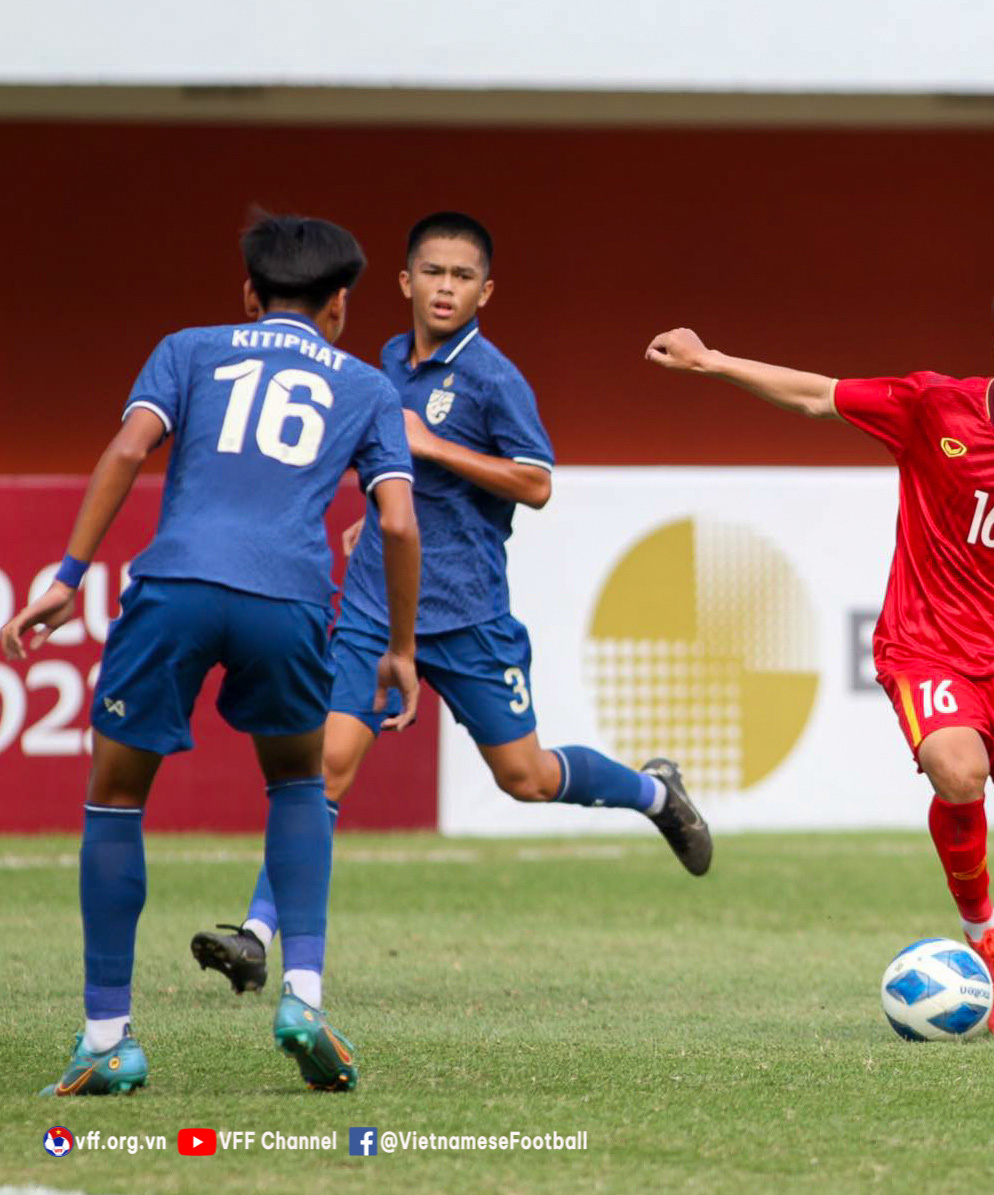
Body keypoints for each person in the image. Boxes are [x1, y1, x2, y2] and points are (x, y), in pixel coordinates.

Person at [192, 211, 711, 997]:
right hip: (373, 602)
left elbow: (536, 481)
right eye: (432, 272)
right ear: (404, 281)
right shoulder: (386, 362)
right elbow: (389, 469)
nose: (445, 287)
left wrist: (431, 447)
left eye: (462, 276)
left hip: (467, 614)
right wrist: (375, 510)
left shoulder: (495, 378)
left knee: (526, 776)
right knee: (324, 769)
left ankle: (654, 791)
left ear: (485, 292)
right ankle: (258, 936)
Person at [5, 213, 421, 1094]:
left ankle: (107, 1036)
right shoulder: (366, 386)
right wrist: (402, 646)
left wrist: (70, 575)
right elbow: (394, 519)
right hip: (292, 599)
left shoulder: (189, 349)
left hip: (179, 585)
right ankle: (303, 994)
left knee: (116, 799)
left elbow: (126, 448)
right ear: (341, 305)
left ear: (248, 294)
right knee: (298, 785)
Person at [645, 262, 994, 1036]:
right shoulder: (934, 405)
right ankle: (976, 929)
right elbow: (816, 394)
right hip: (927, 647)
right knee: (955, 766)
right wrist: (714, 361)